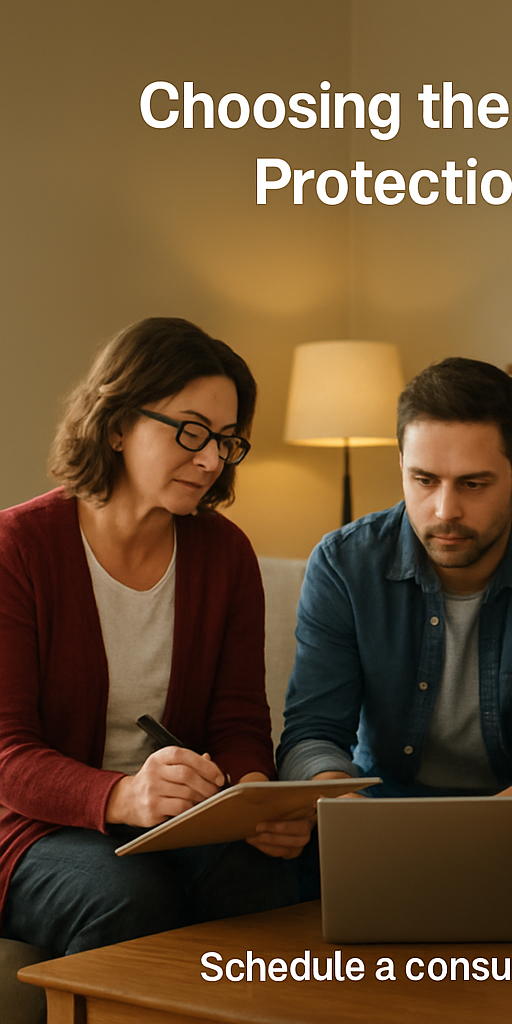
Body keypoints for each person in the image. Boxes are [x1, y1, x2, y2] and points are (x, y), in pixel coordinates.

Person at [277, 357, 512, 912]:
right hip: (380, 800)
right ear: (401, 468)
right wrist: (349, 811)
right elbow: (312, 733)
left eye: (473, 484)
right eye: (424, 480)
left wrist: (473, 831)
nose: (445, 510)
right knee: (292, 847)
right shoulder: (344, 564)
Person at [0, 317, 306, 957]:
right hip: (35, 827)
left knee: (275, 879)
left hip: (177, 821)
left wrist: (252, 794)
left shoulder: (225, 556)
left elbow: (239, 720)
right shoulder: (17, 550)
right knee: (129, 899)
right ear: (116, 424)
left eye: (226, 441)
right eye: (191, 431)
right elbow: (7, 754)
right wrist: (123, 795)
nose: (210, 459)